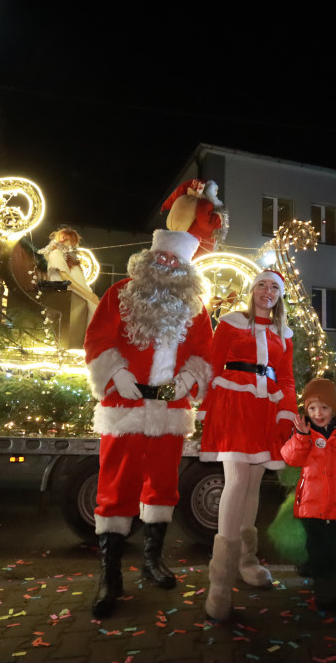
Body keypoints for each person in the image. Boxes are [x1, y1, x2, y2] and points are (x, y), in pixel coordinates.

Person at [82, 229, 213, 619]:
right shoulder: (120, 294)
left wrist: (188, 379)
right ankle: (110, 575)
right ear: (150, 257)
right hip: (124, 405)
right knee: (115, 485)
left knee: (163, 484)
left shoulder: (195, 306)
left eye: (175, 260)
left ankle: (152, 562)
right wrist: (116, 373)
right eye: (162, 257)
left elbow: (204, 351)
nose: (167, 265)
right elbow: (97, 339)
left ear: (185, 267)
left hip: (169, 408)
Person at [198, 269, 296, 620]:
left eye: (274, 288)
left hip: (265, 406)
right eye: (262, 285)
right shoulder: (231, 322)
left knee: (253, 484)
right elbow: (212, 363)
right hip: (233, 402)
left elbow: (286, 376)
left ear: (280, 295)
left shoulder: (284, 333)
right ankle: (220, 583)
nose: (267, 291)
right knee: (237, 479)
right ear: (252, 289)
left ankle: (246, 561)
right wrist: (205, 406)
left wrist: (286, 411)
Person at [281, 378, 336, 611]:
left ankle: (325, 576)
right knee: (320, 547)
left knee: (333, 547)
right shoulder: (305, 434)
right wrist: (300, 437)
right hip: (312, 505)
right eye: (312, 408)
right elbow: (291, 457)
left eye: (324, 407)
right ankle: (325, 591)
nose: (318, 413)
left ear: (333, 409)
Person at [40, 227, 99, 347]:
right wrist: (88, 294)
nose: (72, 245)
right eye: (70, 241)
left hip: (74, 294)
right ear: (63, 238)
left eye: (73, 243)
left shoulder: (65, 257)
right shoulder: (56, 254)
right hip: (67, 293)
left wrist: (89, 294)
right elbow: (65, 278)